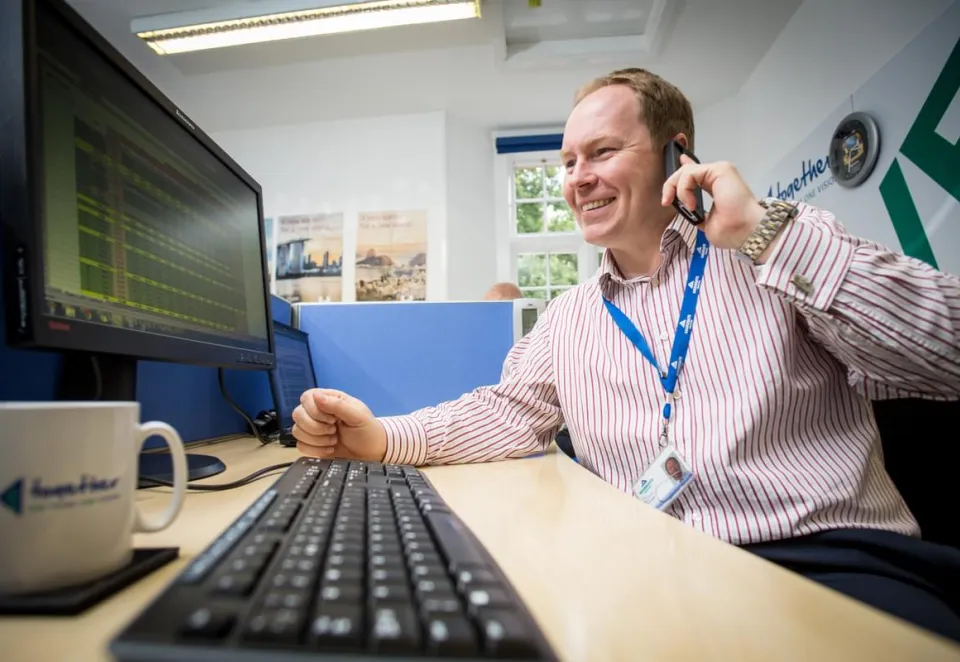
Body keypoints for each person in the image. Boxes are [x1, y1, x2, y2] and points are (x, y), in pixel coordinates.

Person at [293, 68, 960, 641]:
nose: (578, 179)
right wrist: (381, 436)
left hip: (826, 560)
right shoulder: (570, 318)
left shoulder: (779, 243)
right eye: (567, 162)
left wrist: (762, 234)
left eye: (603, 152)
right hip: (652, 563)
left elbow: (946, 350)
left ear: (678, 155)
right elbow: (503, 412)